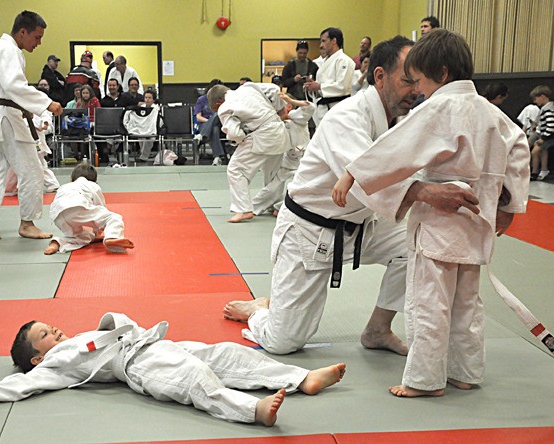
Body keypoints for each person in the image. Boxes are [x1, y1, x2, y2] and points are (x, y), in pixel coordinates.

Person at [222, 36, 481, 356]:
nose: (416, 89)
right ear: (380, 76)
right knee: (284, 341)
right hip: (310, 232)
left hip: (363, 225)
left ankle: (378, 328)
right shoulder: (347, 117)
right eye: (407, 80)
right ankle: (260, 311)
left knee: (419, 241)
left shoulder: (407, 117)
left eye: (419, 80)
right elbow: (363, 177)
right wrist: (427, 193)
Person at [332, 29, 530, 398]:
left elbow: (395, 147)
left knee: (429, 301)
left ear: (441, 73)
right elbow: (518, 149)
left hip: (440, 223)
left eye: (420, 80)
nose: (418, 89)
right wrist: (510, 206)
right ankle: (466, 371)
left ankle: (424, 380)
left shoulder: (438, 108)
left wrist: (352, 172)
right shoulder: (492, 112)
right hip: (478, 220)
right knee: (467, 302)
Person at [0, 311, 347, 427]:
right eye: (44, 334)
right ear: (38, 356)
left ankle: (300, 378)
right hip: (139, 365)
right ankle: (252, 410)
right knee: (194, 379)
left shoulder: (73, 340)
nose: (54, 329)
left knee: (226, 352)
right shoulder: (56, 364)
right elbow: (28, 384)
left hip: (153, 344)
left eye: (49, 325)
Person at [0, 10, 62, 244]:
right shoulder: (9, 50)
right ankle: (27, 223)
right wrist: (47, 103)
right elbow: (14, 86)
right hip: (5, 117)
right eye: (37, 37)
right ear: (22, 32)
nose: (39, 42)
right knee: (32, 169)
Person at [208, 82, 291, 223]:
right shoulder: (249, 88)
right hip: (280, 131)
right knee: (272, 172)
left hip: (262, 134)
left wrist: (240, 139)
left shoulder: (225, 107)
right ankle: (275, 205)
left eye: (215, 108)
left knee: (236, 169)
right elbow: (274, 89)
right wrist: (280, 109)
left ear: (218, 102)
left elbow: (234, 133)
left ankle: (243, 209)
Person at [43, 164, 134, 254]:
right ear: (94, 180)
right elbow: (100, 207)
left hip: (57, 215)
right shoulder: (92, 185)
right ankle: (113, 237)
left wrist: (94, 236)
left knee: (81, 237)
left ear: (71, 178)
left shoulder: (65, 186)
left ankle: (57, 243)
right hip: (77, 207)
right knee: (114, 218)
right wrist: (97, 232)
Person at [252, 94, 315, 216]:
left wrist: (290, 99)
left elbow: (311, 107)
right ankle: (250, 208)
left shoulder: (297, 117)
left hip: (303, 161)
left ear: (289, 106)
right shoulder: (272, 121)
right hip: (286, 160)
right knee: (272, 187)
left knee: (296, 187)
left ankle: (281, 206)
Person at [304, 27, 355, 126]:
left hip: (337, 108)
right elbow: (321, 89)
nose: (321, 45)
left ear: (334, 41)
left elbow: (343, 87)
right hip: (324, 108)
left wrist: (319, 86)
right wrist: (312, 87)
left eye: (323, 41)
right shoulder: (325, 61)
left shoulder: (344, 60)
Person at [194, 79, 226, 166]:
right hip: (205, 124)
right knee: (214, 129)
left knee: (217, 114)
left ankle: (202, 135)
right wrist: (210, 123)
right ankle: (217, 158)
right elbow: (198, 117)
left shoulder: (224, 99)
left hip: (222, 124)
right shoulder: (201, 99)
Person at [124, 89, 160, 163]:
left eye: (150, 98)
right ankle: (143, 155)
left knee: (150, 138)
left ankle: (144, 157)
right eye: (146, 97)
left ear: (153, 100)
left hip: (152, 129)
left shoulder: (156, 109)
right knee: (141, 135)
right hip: (141, 127)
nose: (147, 99)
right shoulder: (140, 108)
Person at [530, 85, 553, 181]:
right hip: (544, 134)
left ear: (542, 97)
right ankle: (543, 170)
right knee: (541, 151)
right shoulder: (545, 108)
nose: (535, 101)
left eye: (536, 98)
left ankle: (534, 172)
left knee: (534, 152)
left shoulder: (548, 110)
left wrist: (542, 138)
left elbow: (551, 126)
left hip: (548, 136)